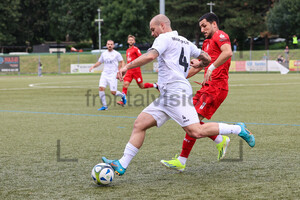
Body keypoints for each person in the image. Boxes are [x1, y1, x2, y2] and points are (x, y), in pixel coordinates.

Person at [101, 14, 255, 176]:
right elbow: (207, 58)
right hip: (169, 94)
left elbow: (151, 55)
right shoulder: (184, 41)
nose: (152, 33)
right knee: (140, 124)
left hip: (175, 93)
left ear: (162, 25)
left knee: (195, 131)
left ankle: (238, 129)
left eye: (153, 29)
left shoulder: (163, 39)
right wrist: (202, 63)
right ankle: (122, 163)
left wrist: (127, 67)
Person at [160, 12, 234, 172]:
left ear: (214, 24)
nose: (202, 29)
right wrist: (179, 77)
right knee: (188, 119)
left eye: (204, 25)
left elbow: (228, 52)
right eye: (200, 27)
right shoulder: (207, 44)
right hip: (207, 87)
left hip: (217, 87)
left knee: (192, 122)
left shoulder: (220, 35)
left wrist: (212, 67)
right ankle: (220, 140)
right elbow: (199, 67)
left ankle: (182, 160)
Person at [117, 35, 157, 106]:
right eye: (129, 40)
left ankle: (155, 85)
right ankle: (123, 100)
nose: (131, 41)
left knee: (142, 86)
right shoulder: (127, 50)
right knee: (125, 84)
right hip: (129, 71)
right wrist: (124, 69)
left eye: (132, 40)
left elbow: (141, 57)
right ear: (127, 41)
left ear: (134, 41)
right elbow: (128, 61)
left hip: (136, 71)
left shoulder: (136, 49)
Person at [89, 40, 126, 111]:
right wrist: (93, 66)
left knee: (113, 92)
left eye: (111, 44)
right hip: (105, 74)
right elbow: (99, 62)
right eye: (108, 44)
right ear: (106, 45)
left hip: (113, 75)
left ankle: (122, 95)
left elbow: (122, 61)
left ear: (113, 45)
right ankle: (104, 106)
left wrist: (122, 69)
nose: (110, 45)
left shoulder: (116, 53)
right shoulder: (104, 54)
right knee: (101, 88)